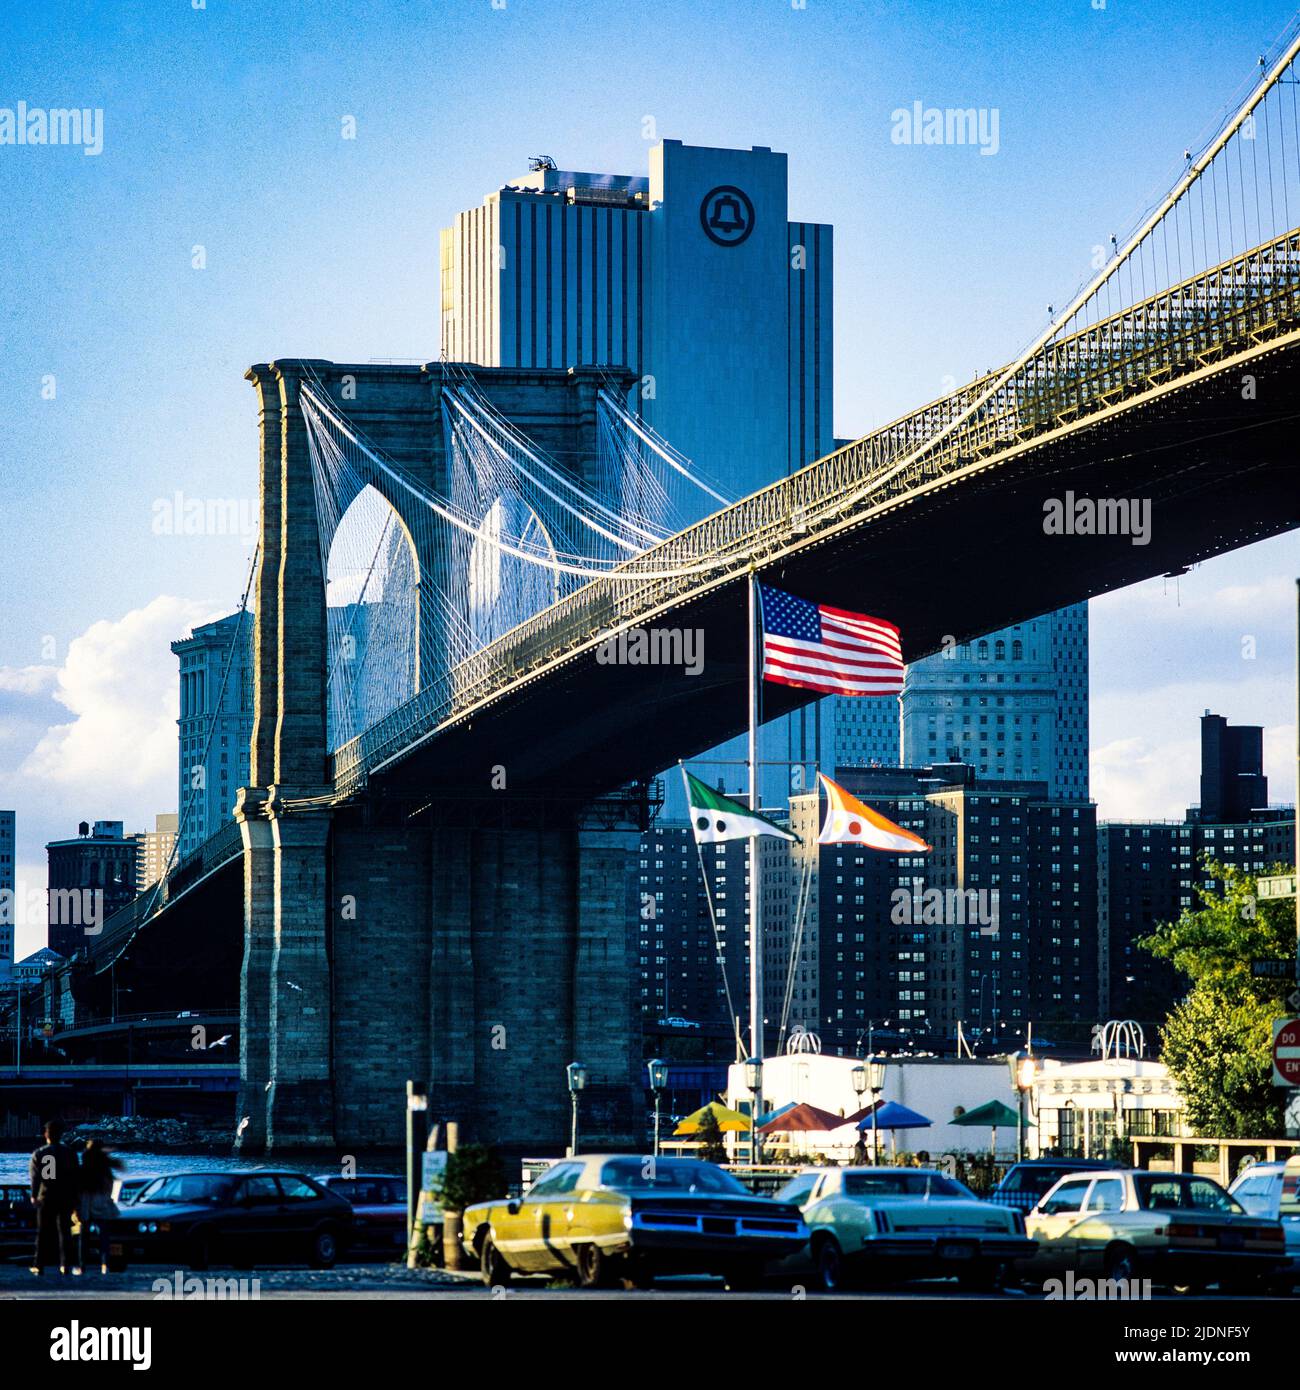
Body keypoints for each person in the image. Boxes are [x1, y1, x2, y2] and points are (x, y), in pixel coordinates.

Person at [29, 1119, 81, 1275]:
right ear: (61, 1135)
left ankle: (39, 1264)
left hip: (46, 1197)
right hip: (65, 1198)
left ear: (46, 1134)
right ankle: (65, 1264)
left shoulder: (41, 1153)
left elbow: (37, 1177)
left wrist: (34, 1195)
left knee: (43, 1232)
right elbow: (75, 1178)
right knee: (65, 1231)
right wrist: (76, 1199)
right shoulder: (69, 1153)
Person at [78, 1140, 123, 1275]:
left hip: (86, 1204)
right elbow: (111, 1187)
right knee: (104, 1237)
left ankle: (82, 1266)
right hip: (102, 1204)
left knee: (83, 1237)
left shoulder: (83, 1169)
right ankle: (105, 1265)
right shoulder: (105, 1171)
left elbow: (78, 1189)